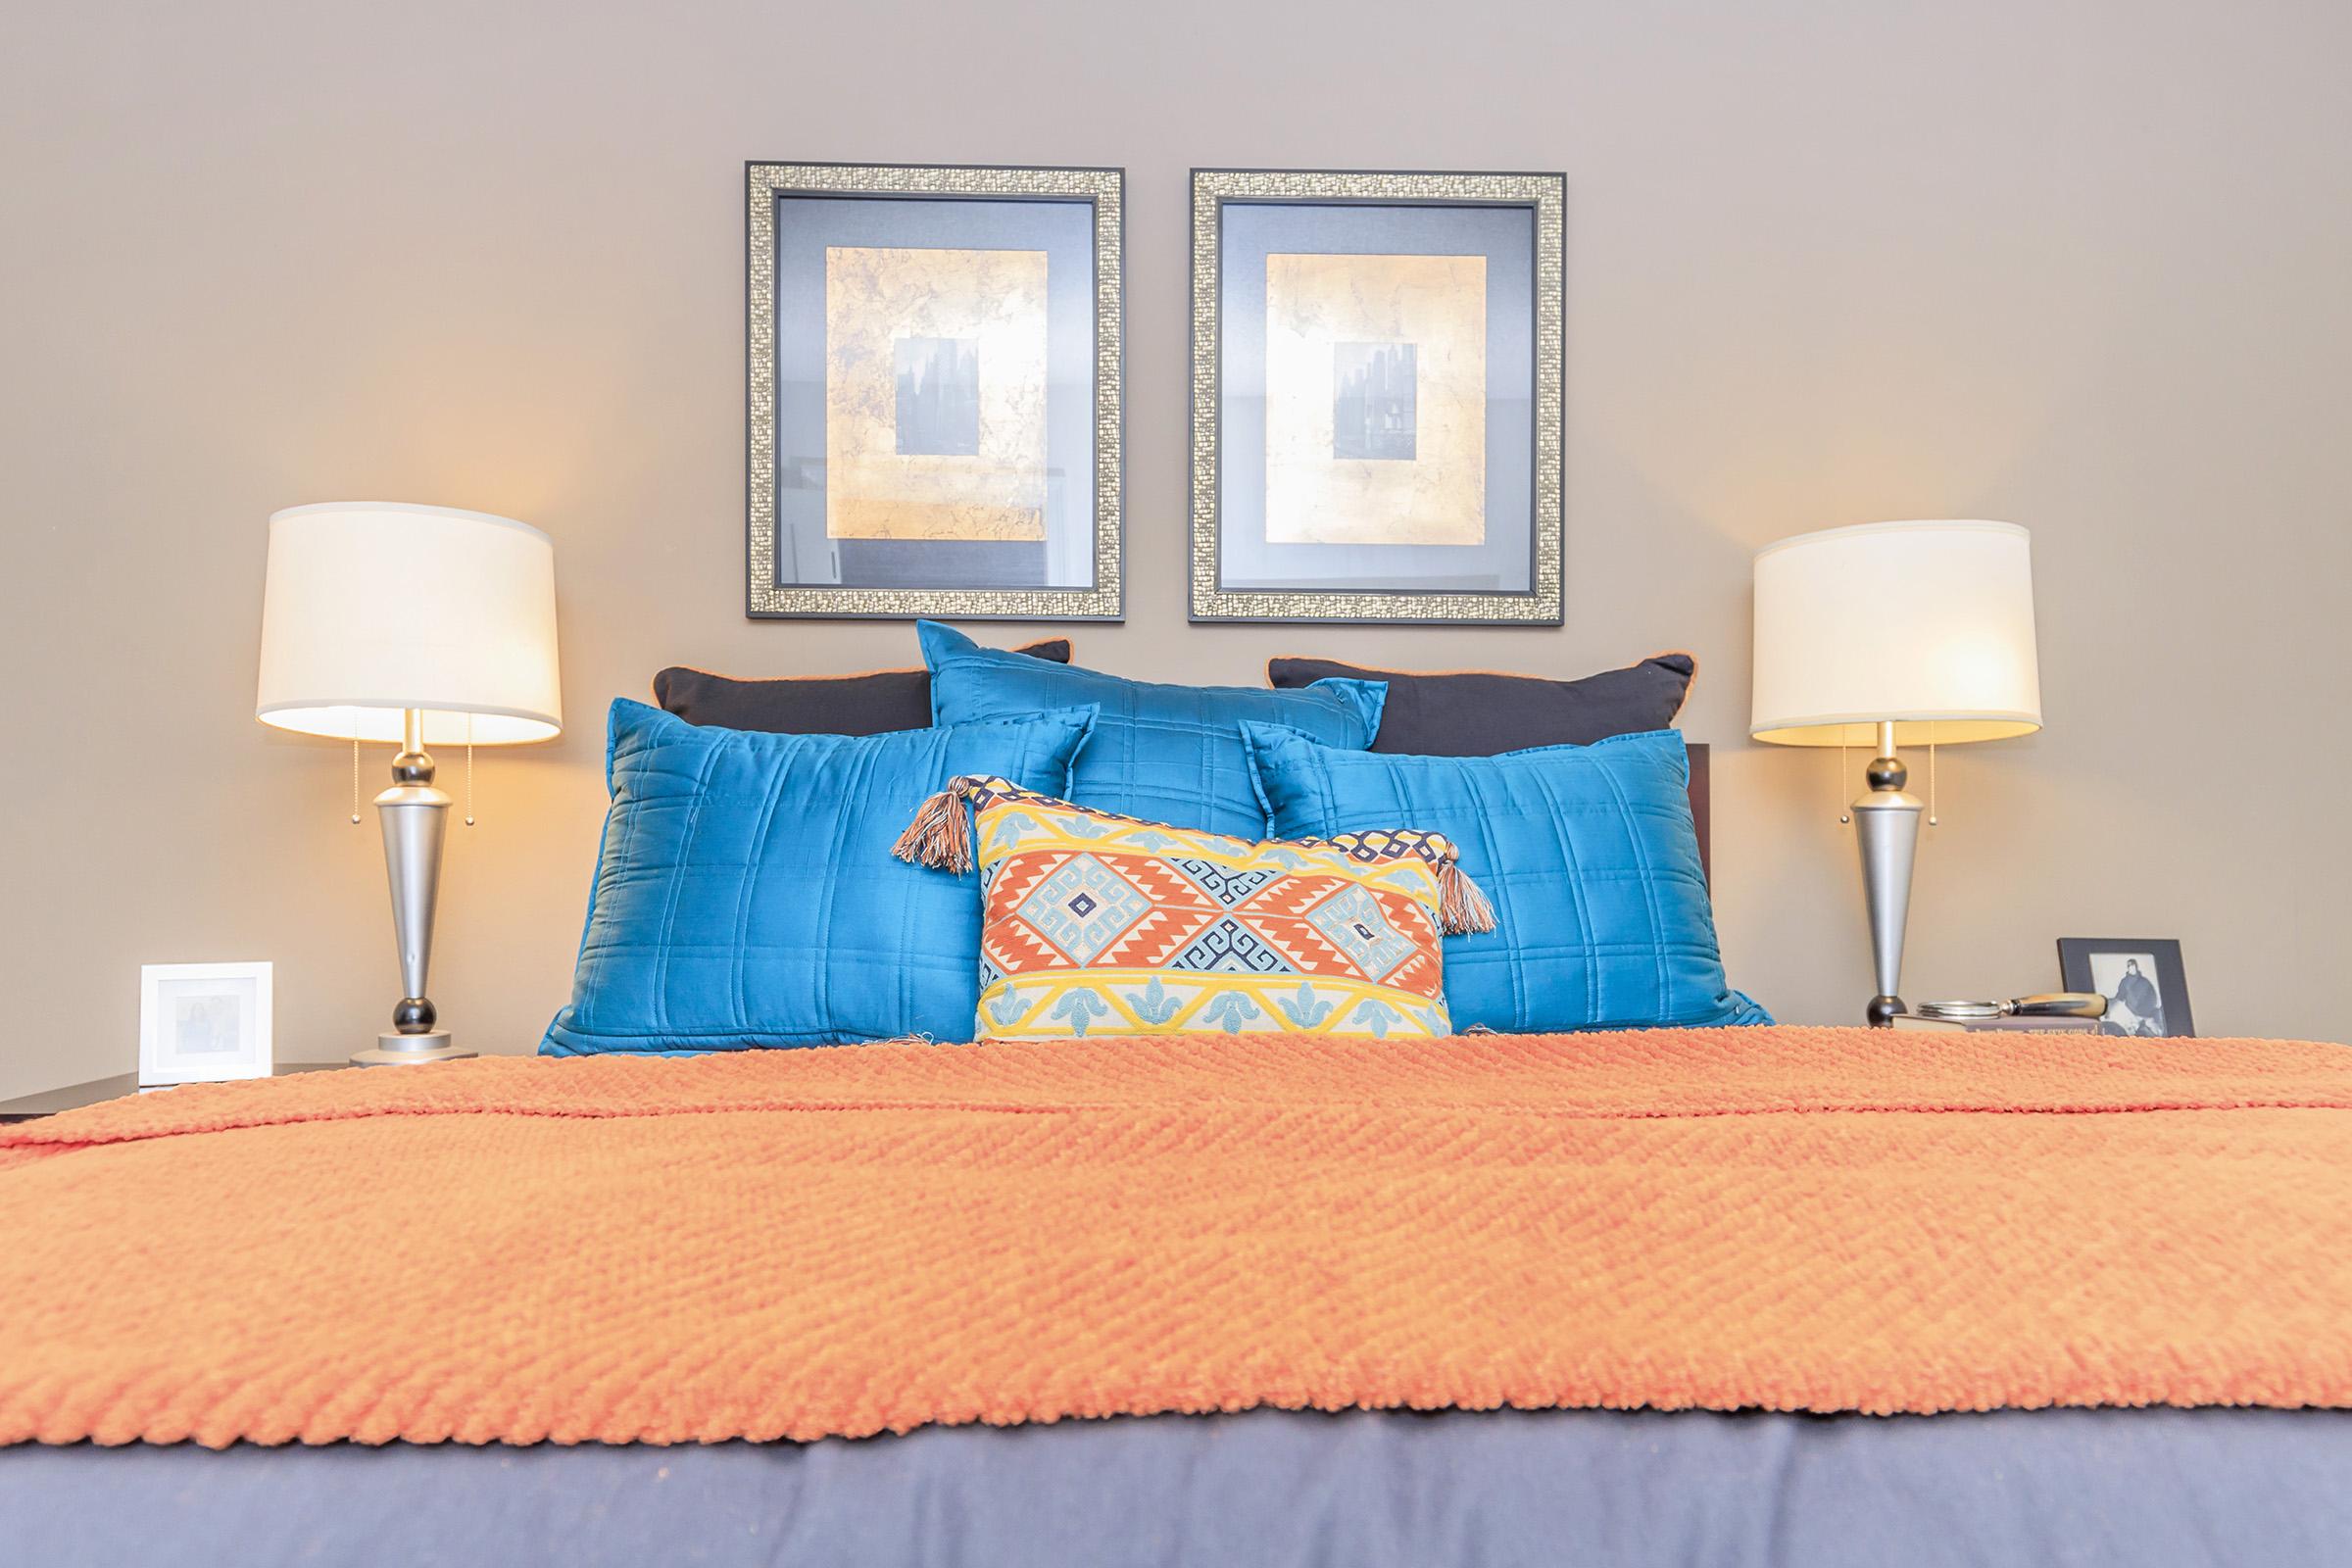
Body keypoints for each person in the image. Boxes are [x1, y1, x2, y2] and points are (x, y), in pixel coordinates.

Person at [2111, 958, 2165, 1037]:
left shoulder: (2145, 982)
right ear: (2127, 968)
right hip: (2133, 1015)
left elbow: (2153, 998)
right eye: (2129, 966)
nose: (2131, 968)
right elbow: (2120, 996)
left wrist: (2149, 1012)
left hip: (2147, 1015)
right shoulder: (2125, 982)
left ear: (2136, 966)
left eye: (2133, 965)